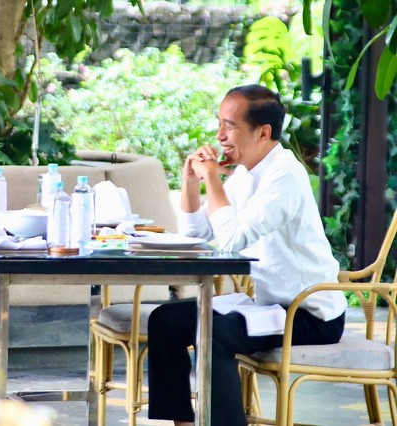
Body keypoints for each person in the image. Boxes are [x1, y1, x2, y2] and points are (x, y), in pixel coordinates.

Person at [147, 84, 348, 426]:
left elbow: (231, 239)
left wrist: (212, 177)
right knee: (165, 321)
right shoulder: (246, 175)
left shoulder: (285, 175)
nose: (219, 135)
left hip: (309, 314)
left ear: (263, 132)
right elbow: (201, 236)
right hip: (271, 307)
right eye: (219, 124)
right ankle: (182, 423)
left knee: (215, 335)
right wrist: (191, 184)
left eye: (229, 126)